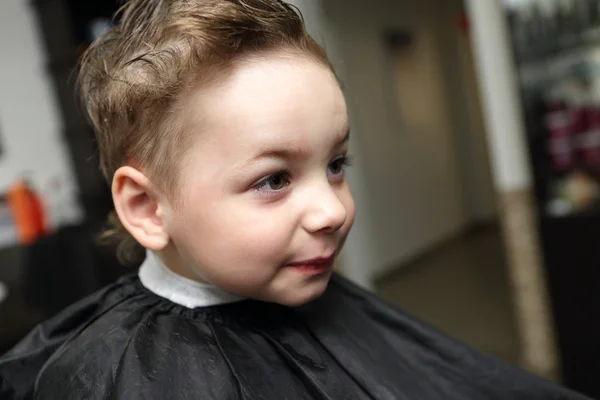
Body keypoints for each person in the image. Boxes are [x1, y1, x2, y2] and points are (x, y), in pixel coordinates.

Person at [0, 1, 591, 399]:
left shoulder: (323, 300)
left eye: (336, 165)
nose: (333, 210)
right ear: (149, 208)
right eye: (274, 180)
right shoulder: (105, 372)